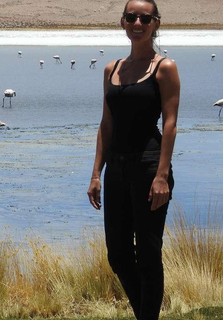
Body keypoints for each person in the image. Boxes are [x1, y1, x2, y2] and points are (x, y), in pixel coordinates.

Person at [87, 0, 180, 319]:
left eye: (144, 18)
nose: (137, 23)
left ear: (155, 23)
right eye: (131, 17)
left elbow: (170, 124)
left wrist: (162, 176)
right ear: (122, 22)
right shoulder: (111, 68)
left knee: (150, 252)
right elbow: (106, 124)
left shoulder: (164, 67)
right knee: (119, 255)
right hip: (117, 168)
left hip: (150, 165)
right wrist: (96, 173)